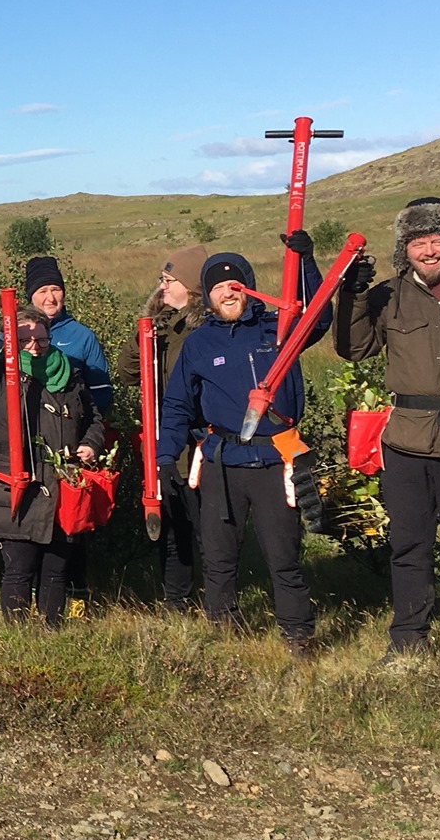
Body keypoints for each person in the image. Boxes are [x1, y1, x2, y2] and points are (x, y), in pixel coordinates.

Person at [336, 197, 440, 658]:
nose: (429, 251)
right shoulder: (389, 294)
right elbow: (355, 349)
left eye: (438, 240)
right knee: (409, 544)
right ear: (403, 250)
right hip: (406, 440)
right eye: (417, 243)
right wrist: (351, 296)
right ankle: (408, 637)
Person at [156, 237, 330, 657]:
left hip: (275, 460)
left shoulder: (279, 328)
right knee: (218, 556)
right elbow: (177, 403)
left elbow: (319, 317)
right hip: (221, 461)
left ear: (249, 287)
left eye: (236, 285)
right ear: (208, 296)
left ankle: (297, 635)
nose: (228, 292)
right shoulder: (199, 344)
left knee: (283, 555)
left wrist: (305, 261)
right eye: (218, 287)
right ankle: (223, 636)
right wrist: (165, 456)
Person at [0, 296, 107, 627]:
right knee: (19, 566)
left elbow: (94, 418)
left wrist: (89, 445)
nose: (36, 346)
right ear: (14, 342)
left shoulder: (69, 375)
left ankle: (53, 634)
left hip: (62, 482)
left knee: (57, 566)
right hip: (16, 480)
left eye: (41, 339)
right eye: (26, 340)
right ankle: (18, 639)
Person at [114, 247, 208, 610]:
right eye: (161, 280)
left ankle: (217, 601)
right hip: (165, 444)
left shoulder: (204, 329)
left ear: (193, 286)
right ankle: (176, 600)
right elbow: (128, 373)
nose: (162, 287)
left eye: (170, 281)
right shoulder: (161, 326)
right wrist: (147, 328)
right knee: (171, 528)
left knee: (205, 529)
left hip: (199, 445)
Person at [22, 254, 112, 615]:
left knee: (73, 528)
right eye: (43, 290)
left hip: (71, 452)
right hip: (29, 452)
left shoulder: (81, 337)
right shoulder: (16, 333)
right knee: (29, 526)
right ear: (31, 296)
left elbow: (101, 394)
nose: (50, 297)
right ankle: (30, 597)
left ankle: (76, 599)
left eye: (56, 289)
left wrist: (88, 438)